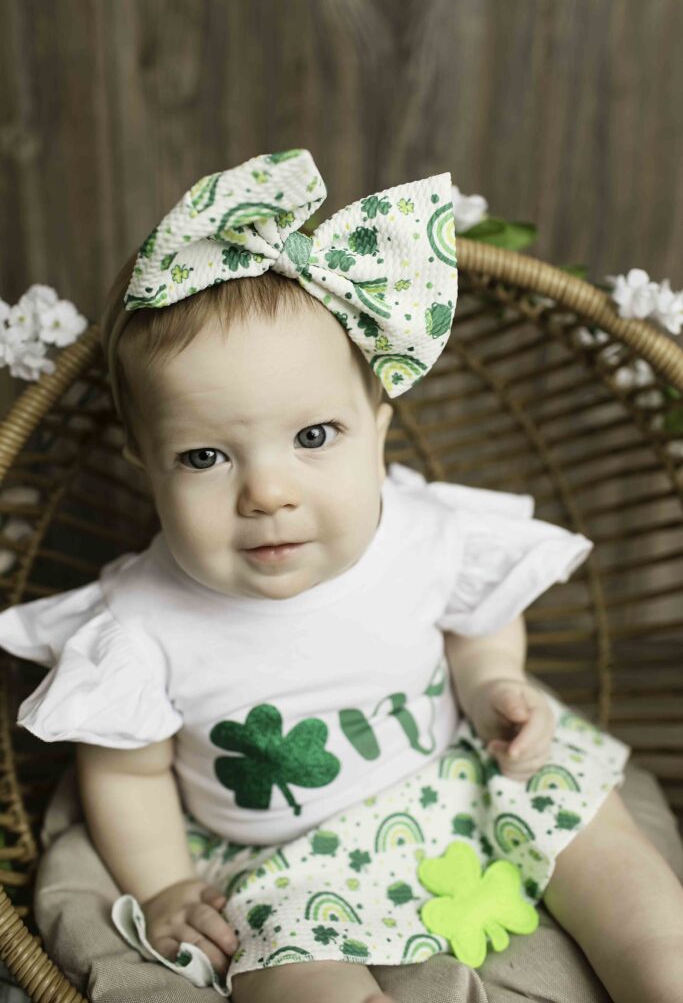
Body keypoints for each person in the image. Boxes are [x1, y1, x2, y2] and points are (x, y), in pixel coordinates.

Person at [0, 149, 681, 1003]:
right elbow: (129, 774)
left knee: (615, 868)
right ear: (144, 462)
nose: (268, 494)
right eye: (205, 456)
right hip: (283, 862)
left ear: (377, 422)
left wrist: (492, 683)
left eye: (314, 437)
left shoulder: (422, 531)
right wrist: (167, 887)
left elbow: (473, 623)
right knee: (293, 982)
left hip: (461, 775)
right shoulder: (140, 619)